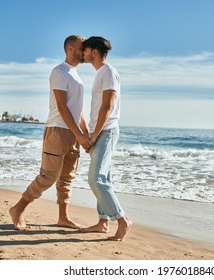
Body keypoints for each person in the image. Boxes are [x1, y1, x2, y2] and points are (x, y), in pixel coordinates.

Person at [9, 35, 91, 231]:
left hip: (73, 132)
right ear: (70, 49)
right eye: (82, 48)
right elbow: (62, 107)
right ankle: (18, 209)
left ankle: (63, 217)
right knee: (48, 176)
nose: (86, 51)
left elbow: (77, 109)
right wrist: (79, 134)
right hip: (57, 130)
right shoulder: (59, 72)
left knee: (67, 177)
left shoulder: (77, 75)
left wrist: (85, 133)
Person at [80, 36, 132, 241]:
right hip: (101, 130)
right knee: (105, 179)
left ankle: (122, 220)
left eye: (85, 50)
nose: (82, 53)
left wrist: (94, 135)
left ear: (94, 51)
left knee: (96, 179)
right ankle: (103, 222)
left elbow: (107, 107)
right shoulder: (101, 73)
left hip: (106, 131)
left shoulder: (109, 72)